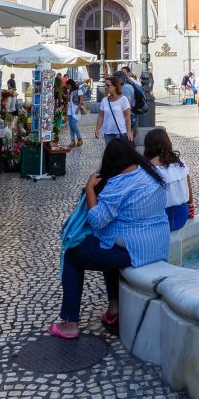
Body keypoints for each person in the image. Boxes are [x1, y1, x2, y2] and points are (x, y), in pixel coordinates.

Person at [51, 137, 168, 339]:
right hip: (157, 245)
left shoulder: (118, 184)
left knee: (73, 253)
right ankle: (114, 307)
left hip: (133, 250)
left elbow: (97, 220)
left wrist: (89, 190)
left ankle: (70, 322)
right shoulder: (150, 173)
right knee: (103, 245)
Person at [144, 128, 193, 231]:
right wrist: (190, 206)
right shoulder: (180, 163)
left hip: (160, 220)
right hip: (181, 216)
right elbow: (189, 189)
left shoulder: (147, 167)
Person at [96, 76, 132, 146]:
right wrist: (97, 129)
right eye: (105, 85)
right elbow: (101, 116)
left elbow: (127, 117)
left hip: (120, 132)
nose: (106, 87)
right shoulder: (104, 100)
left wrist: (129, 131)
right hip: (108, 132)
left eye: (108, 85)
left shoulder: (123, 99)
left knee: (119, 154)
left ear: (115, 86)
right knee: (111, 154)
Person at [65, 82, 84, 150]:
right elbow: (68, 100)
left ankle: (79, 138)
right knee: (71, 126)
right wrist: (68, 92)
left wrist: (78, 108)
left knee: (73, 125)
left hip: (76, 110)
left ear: (71, 84)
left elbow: (81, 101)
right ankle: (72, 141)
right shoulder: (70, 91)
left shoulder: (79, 90)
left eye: (68, 85)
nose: (67, 86)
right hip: (70, 111)